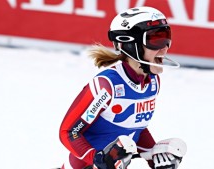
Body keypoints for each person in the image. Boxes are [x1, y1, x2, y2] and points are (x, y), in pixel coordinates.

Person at [59, 6, 186, 169]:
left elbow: (135, 128)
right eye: (156, 40)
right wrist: (98, 159)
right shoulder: (107, 85)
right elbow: (69, 132)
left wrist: (153, 156)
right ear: (130, 45)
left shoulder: (152, 83)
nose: (165, 47)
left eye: (167, 37)